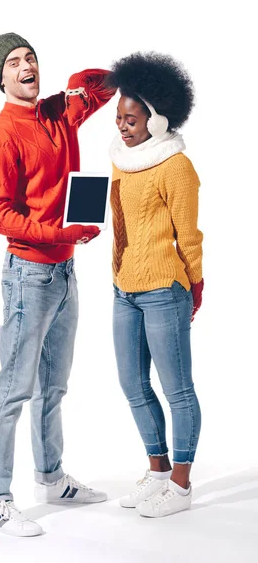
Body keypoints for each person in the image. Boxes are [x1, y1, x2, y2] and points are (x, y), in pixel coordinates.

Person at [0, 30, 116, 537]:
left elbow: (103, 90)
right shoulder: (2, 135)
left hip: (64, 271)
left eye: (30, 57)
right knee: (14, 389)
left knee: (54, 386)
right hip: (29, 276)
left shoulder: (59, 112)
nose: (25, 66)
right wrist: (59, 232)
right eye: (14, 62)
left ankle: (51, 478)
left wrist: (86, 81)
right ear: (1, 77)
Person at [107, 52, 204, 518]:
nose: (123, 126)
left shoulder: (176, 166)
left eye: (131, 119)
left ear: (156, 119)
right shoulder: (120, 161)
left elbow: (189, 233)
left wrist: (195, 282)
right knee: (132, 383)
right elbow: (121, 222)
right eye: (119, 118)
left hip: (165, 288)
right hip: (123, 288)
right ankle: (158, 470)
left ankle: (181, 488)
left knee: (177, 389)